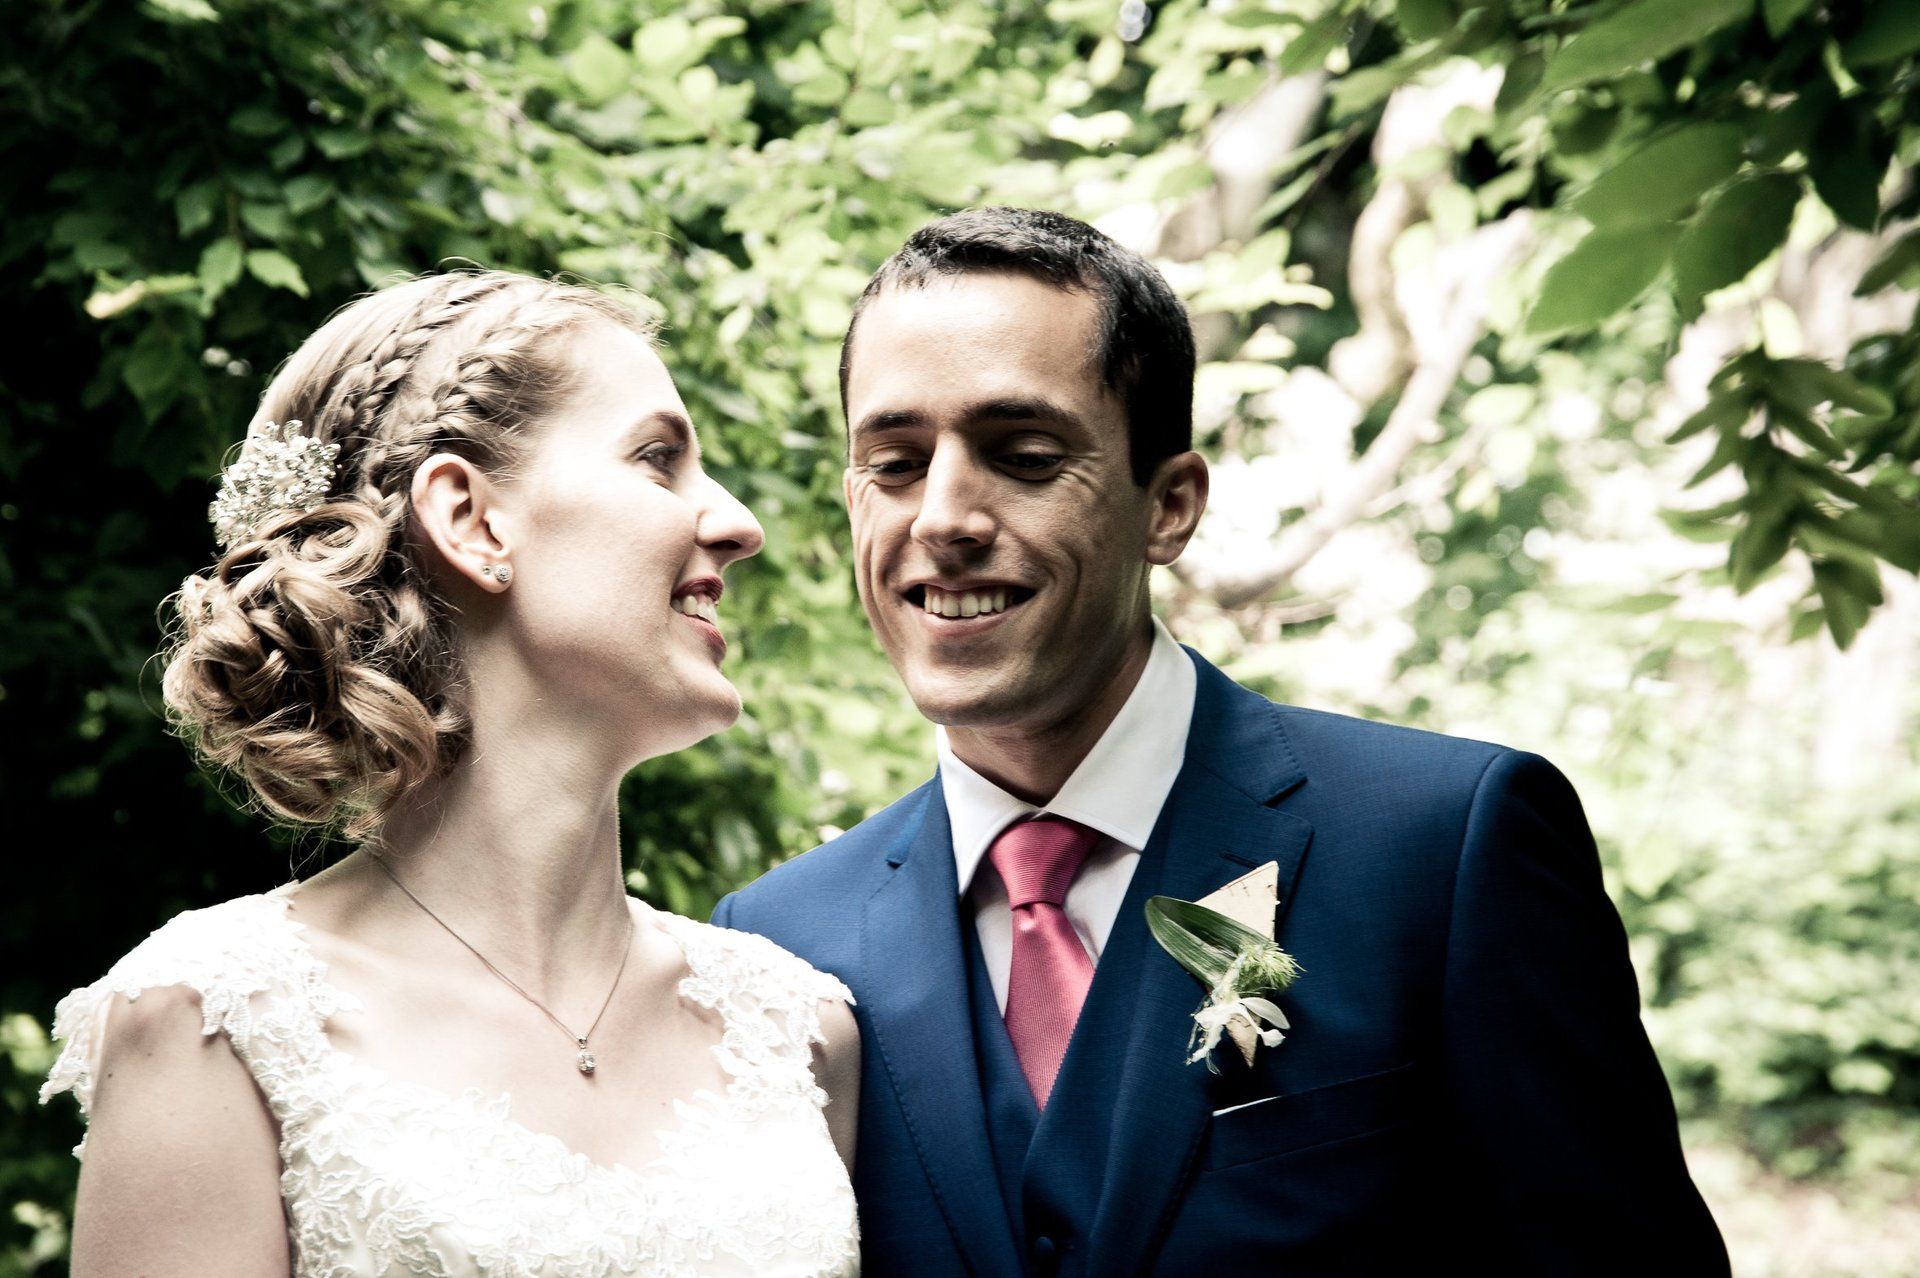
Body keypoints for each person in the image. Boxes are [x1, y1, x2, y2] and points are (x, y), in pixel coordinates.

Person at [713, 208, 1730, 1276]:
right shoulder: (777, 949)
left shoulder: (1445, 849)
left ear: (1171, 507)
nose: (944, 516)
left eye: (1021, 455)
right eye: (896, 462)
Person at [41, 270, 860, 1277]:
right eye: (658, 460)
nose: (738, 523)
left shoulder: (795, 1031)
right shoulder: (219, 1017)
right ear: (471, 519)